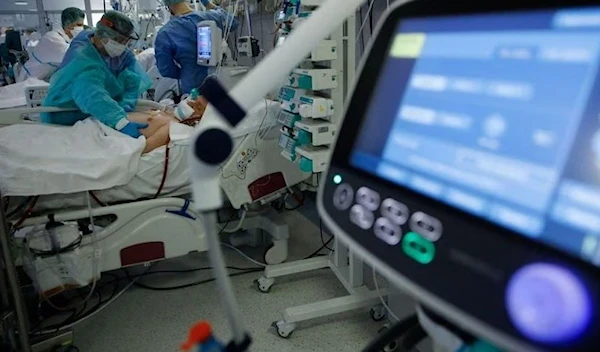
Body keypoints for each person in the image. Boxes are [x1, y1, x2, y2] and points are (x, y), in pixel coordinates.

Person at [41, 11, 152, 138]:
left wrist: (124, 108)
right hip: (65, 116)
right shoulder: (83, 57)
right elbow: (90, 93)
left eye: (126, 41)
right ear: (104, 36)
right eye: (119, 40)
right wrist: (119, 121)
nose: (123, 46)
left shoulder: (123, 55)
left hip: (100, 113)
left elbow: (132, 81)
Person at [154, 0, 237, 94]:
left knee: (196, 107)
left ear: (167, 7)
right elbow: (232, 22)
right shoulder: (211, 16)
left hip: (193, 87)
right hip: (222, 81)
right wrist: (209, 4)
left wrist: (186, 73)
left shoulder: (165, 33)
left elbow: (166, 70)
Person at [18, 8, 85, 82]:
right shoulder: (51, 39)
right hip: (30, 81)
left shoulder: (67, 38)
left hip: (44, 79)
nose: (81, 28)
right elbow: (74, 55)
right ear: (68, 24)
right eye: (79, 25)